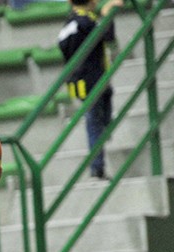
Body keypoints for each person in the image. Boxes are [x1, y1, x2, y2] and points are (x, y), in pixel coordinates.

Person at [58, 0, 124, 179]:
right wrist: (106, 14)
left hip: (98, 79)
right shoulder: (83, 23)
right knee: (94, 121)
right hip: (88, 82)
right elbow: (106, 36)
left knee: (102, 113)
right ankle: (97, 167)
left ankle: (103, 137)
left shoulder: (76, 22)